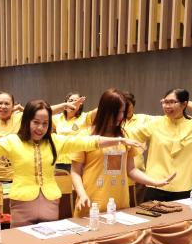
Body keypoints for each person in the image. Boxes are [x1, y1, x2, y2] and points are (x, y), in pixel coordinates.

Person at [0, 99, 143, 227]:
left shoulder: (55, 141)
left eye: (45, 123)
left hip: (50, 201)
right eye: (36, 122)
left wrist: (120, 140)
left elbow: (90, 141)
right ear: (27, 120)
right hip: (22, 202)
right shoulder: (12, 141)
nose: (40, 128)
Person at [71, 89, 175, 217]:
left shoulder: (125, 135)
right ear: (105, 111)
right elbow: (75, 171)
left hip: (120, 202)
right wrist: (82, 195)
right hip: (91, 202)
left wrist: (154, 182)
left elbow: (131, 170)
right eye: (116, 112)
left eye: (122, 112)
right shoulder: (85, 135)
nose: (120, 117)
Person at [126, 88, 192, 201]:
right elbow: (129, 135)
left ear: (184, 104)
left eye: (172, 102)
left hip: (183, 189)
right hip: (155, 186)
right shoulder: (155, 124)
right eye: (165, 102)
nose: (167, 106)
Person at [123, 91, 156, 205]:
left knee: (136, 206)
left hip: (137, 171)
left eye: (129, 106)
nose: (127, 109)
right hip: (118, 173)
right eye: (124, 106)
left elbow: (164, 121)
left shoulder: (143, 119)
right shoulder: (115, 121)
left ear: (133, 105)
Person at [52, 92, 96, 171]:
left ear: (80, 105)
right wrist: (63, 106)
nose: (73, 103)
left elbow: (100, 111)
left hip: (76, 162)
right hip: (58, 162)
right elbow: (42, 113)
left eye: (76, 101)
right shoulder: (57, 118)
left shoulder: (85, 117)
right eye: (70, 101)